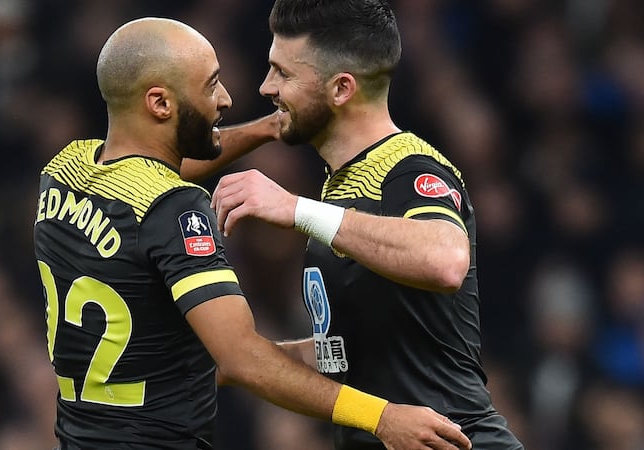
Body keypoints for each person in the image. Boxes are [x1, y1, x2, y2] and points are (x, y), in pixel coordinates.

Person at [33, 16, 471, 450]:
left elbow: (152, 172)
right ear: (160, 104)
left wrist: (265, 129)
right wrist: (381, 416)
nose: (226, 98)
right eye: (210, 85)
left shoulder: (65, 170)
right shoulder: (176, 210)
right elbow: (241, 358)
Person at [211, 1, 525, 450]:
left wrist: (294, 208)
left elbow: (445, 258)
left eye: (282, 73)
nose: (265, 87)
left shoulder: (407, 167)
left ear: (341, 89)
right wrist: (238, 360)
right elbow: (341, 354)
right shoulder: (339, 188)